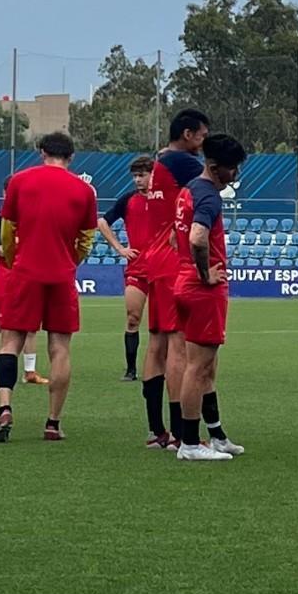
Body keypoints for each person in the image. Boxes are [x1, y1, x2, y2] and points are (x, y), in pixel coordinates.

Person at [0, 132, 97, 443]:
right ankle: (52, 422)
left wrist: (13, 259)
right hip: (62, 274)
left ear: (41, 152)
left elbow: (8, 229)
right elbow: (86, 238)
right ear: (71, 157)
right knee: (60, 348)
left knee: (10, 342)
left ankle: (5, 407)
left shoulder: (20, 182)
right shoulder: (84, 189)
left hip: (24, 271)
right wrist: (70, 261)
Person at [171, 134, 249, 461]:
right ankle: (189, 443)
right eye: (232, 169)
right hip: (202, 288)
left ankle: (216, 434)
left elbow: (176, 239)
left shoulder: (189, 189)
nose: (236, 175)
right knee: (197, 367)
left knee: (207, 365)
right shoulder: (210, 197)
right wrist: (205, 274)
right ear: (215, 168)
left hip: (182, 281)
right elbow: (197, 238)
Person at [140, 109, 211, 450]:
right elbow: (212, 184)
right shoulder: (183, 163)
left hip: (153, 260)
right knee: (179, 346)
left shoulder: (160, 163)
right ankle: (182, 431)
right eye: (201, 136)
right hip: (172, 262)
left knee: (156, 343)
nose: (203, 143)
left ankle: (157, 429)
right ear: (187, 134)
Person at [0, 181, 48, 387]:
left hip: (29, 277)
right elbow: (2, 250)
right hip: (6, 277)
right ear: (5, 193)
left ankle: (30, 372)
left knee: (30, 328)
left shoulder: (31, 216)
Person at [97, 155, 154, 382]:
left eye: (142, 175)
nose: (138, 180)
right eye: (135, 176)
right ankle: (131, 370)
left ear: (153, 175)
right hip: (137, 269)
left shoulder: (167, 199)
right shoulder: (128, 200)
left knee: (166, 325)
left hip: (164, 269)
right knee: (132, 318)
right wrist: (120, 248)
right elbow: (102, 222)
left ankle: (165, 367)